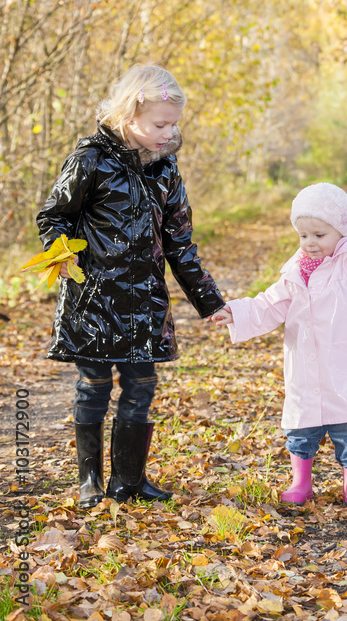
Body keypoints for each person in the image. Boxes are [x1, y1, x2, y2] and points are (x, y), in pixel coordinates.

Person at [37, 64, 225, 509]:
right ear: (129, 115)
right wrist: (61, 255)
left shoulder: (165, 169)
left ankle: (129, 480)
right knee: (94, 385)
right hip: (94, 300)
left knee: (141, 387)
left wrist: (209, 300)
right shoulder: (90, 160)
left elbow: (180, 242)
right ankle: (89, 481)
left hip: (144, 305)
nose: (168, 133)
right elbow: (53, 216)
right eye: (160, 124)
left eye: (173, 125)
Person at [213, 183, 347, 507]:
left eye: (319, 235)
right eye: (303, 235)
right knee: (301, 429)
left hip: (345, 364)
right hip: (305, 365)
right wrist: (236, 311)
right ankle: (301, 481)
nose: (310, 243)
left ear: (341, 232)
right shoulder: (293, 272)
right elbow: (269, 304)